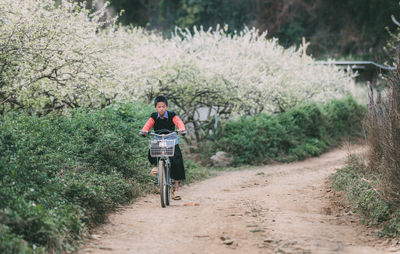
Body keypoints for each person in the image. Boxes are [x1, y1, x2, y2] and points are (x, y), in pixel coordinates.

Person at [140, 96, 186, 200]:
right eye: (159, 106)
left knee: (177, 161)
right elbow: (148, 125)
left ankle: (176, 190)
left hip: (171, 141)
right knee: (152, 151)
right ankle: (156, 165)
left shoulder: (172, 115)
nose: (161, 108)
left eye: (163, 106)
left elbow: (179, 123)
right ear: (155, 107)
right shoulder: (153, 116)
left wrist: (181, 129)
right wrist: (145, 131)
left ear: (166, 107)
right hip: (159, 140)